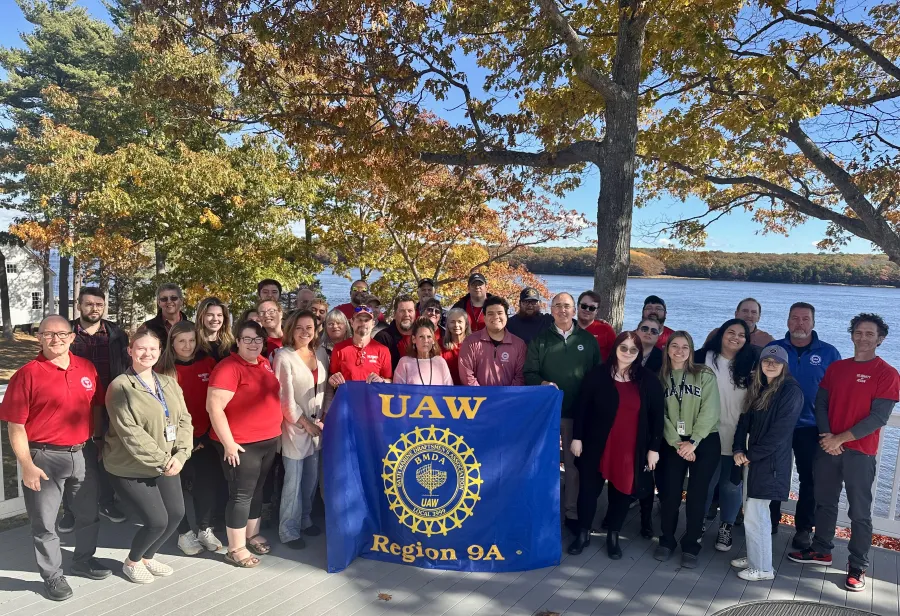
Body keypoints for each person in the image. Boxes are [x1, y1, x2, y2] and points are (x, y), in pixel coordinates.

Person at [0, 316, 111, 601]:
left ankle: (84, 560)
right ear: (39, 338)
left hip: (83, 452)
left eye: (62, 334)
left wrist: (98, 439)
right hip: (44, 457)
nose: (56, 339)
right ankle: (52, 576)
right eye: (48, 334)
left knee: (88, 513)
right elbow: (15, 425)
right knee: (45, 522)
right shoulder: (27, 374)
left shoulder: (86, 368)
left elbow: (97, 405)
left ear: (72, 337)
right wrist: (27, 464)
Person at [788, 313, 900, 592]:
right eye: (858, 332)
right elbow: (821, 404)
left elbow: (878, 418)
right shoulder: (837, 368)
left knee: (859, 512)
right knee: (824, 502)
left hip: (860, 452)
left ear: (880, 339)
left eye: (870, 334)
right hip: (828, 447)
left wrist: (840, 439)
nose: (863, 338)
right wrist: (829, 438)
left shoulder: (887, 374)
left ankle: (857, 565)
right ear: (852, 335)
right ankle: (821, 549)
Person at [104, 328, 193, 584]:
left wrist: (182, 454)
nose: (147, 353)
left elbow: (184, 419)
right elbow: (131, 433)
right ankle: (132, 562)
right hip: (130, 466)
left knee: (176, 514)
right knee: (157, 521)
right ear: (130, 350)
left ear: (160, 351)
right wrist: (165, 460)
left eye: (153, 349)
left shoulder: (169, 383)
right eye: (141, 348)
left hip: (169, 462)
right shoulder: (120, 387)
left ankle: (147, 557)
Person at [567, 332, 665, 558]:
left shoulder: (648, 380)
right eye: (624, 347)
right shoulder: (597, 374)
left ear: (639, 353)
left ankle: (613, 535)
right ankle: (583, 533)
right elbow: (582, 407)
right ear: (615, 348)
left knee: (621, 492)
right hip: (595, 444)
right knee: (588, 490)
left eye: (633, 349)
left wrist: (653, 449)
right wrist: (577, 437)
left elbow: (657, 417)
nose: (628, 353)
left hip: (630, 447)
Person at [207, 320, 284, 568]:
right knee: (241, 495)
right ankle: (236, 548)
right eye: (247, 339)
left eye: (258, 339)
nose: (253, 344)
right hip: (241, 444)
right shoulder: (228, 368)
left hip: (267, 440)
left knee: (257, 490)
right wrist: (229, 443)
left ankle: (251, 534)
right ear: (238, 341)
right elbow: (214, 407)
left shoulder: (263, 363)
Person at [525, 293, 601, 535]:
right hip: (547, 414)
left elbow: (597, 377)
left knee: (572, 467)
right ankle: (543, 510)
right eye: (557, 305)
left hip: (575, 415)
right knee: (543, 465)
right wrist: (543, 383)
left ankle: (571, 514)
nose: (562, 310)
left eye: (566, 306)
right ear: (551, 310)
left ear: (574, 310)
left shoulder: (587, 341)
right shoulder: (540, 340)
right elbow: (529, 373)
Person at [766, 302, 841, 547]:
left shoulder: (829, 353)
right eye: (795, 318)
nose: (800, 323)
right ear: (788, 321)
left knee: (810, 479)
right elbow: (759, 385)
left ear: (813, 322)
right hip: (776, 425)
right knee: (773, 475)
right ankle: (770, 521)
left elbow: (837, 393)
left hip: (811, 427)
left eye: (805, 318)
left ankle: (803, 529)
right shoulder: (773, 349)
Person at [730, 345, 803, 582]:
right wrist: (738, 448)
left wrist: (751, 454)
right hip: (752, 459)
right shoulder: (759, 387)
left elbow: (779, 433)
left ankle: (762, 569)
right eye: (766, 361)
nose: (771, 365)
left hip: (770, 463)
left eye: (776, 361)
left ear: (784, 366)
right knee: (751, 511)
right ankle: (755, 556)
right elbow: (744, 421)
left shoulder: (791, 391)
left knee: (758, 514)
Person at [64, 287, 129, 531]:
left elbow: (125, 366)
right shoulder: (66, 333)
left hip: (110, 403)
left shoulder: (116, 335)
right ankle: (70, 510)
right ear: (79, 306)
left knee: (107, 454)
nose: (94, 308)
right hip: (74, 406)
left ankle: (106, 502)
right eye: (89, 304)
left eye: (99, 304)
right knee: (73, 459)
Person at [654, 331, 721, 568]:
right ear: (667, 349)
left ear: (691, 350)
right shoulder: (661, 378)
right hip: (673, 441)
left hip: (704, 439)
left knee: (697, 495)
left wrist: (693, 442)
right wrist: (677, 442)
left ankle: (691, 544)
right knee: (670, 493)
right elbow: (659, 414)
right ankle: (667, 540)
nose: (679, 351)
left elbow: (711, 410)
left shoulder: (704, 374)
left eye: (685, 347)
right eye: (674, 346)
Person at [158, 322, 225, 556]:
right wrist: (184, 441)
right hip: (175, 441)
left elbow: (217, 401)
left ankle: (205, 528)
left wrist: (206, 435)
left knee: (206, 485)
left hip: (205, 437)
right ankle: (184, 533)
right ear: (172, 343)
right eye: (181, 341)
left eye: (191, 340)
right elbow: (161, 411)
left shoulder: (208, 363)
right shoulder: (162, 370)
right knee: (176, 488)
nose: (187, 346)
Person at [696, 319, 756, 553]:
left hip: (737, 436)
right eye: (731, 332)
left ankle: (726, 526)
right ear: (721, 334)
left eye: (741, 335)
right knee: (705, 483)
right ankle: (698, 523)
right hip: (707, 433)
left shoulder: (752, 363)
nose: (735, 337)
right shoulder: (704, 357)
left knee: (731, 485)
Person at [273, 310, 330, 549]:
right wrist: (306, 424)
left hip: (318, 427)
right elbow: (284, 398)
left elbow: (327, 390)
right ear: (291, 330)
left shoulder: (321, 353)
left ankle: (305, 519)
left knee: (310, 479)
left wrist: (324, 418)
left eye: (309, 328)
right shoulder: (283, 357)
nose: (304, 332)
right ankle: (288, 530)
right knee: (293, 482)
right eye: (299, 327)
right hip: (295, 428)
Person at [457, 297, 526, 386]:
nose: (496, 317)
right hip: (478, 394)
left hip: (509, 395)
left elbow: (520, 377)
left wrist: (508, 394)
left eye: (500, 313)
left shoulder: (519, 344)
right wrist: (481, 394)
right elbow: (467, 376)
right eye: (490, 313)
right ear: (484, 318)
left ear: (506, 316)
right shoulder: (470, 342)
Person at [328, 305, 393, 387]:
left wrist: (382, 381)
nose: (363, 323)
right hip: (348, 395)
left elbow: (390, 380)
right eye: (359, 320)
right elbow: (332, 375)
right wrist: (332, 380)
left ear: (373, 324)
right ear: (352, 322)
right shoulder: (339, 349)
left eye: (366, 320)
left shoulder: (383, 350)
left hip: (372, 395)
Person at [393, 318, 454, 385]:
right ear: (414, 339)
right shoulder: (404, 363)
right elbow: (397, 389)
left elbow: (449, 389)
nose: (426, 340)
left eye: (429, 337)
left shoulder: (440, 362)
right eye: (421, 337)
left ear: (433, 340)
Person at [705, 298, 775, 349]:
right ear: (736, 314)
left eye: (754, 312)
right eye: (745, 311)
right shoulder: (717, 333)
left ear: (758, 317)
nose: (749, 315)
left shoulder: (767, 340)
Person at [141, 283, 192, 350]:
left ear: (181, 301)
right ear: (159, 302)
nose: (169, 301)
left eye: (173, 298)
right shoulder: (147, 327)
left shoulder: (193, 328)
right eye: (164, 299)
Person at [375, 294, 417, 370]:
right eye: (402, 311)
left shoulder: (422, 336)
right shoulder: (383, 338)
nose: (406, 315)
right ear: (394, 314)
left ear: (415, 314)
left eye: (410, 311)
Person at [576, 291, 616, 361]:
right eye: (584, 306)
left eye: (592, 308)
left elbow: (617, 355)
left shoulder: (606, 330)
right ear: (577, 306)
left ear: (596, 311)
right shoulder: (567, 328)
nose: (587, 310)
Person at [195, 297, 234, 362]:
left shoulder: (232, 345)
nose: (215, 319)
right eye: (210, 315)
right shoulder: (193, 344)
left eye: (219, 315)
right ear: (201, 317)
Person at [441, 308, 471, 386]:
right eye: (452, 322)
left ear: (466, 325)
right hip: (447, 389)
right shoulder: (440, 344)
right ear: (447, 325)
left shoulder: (474, 344)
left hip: (469, 389)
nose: (456, 325)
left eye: (460, 321)